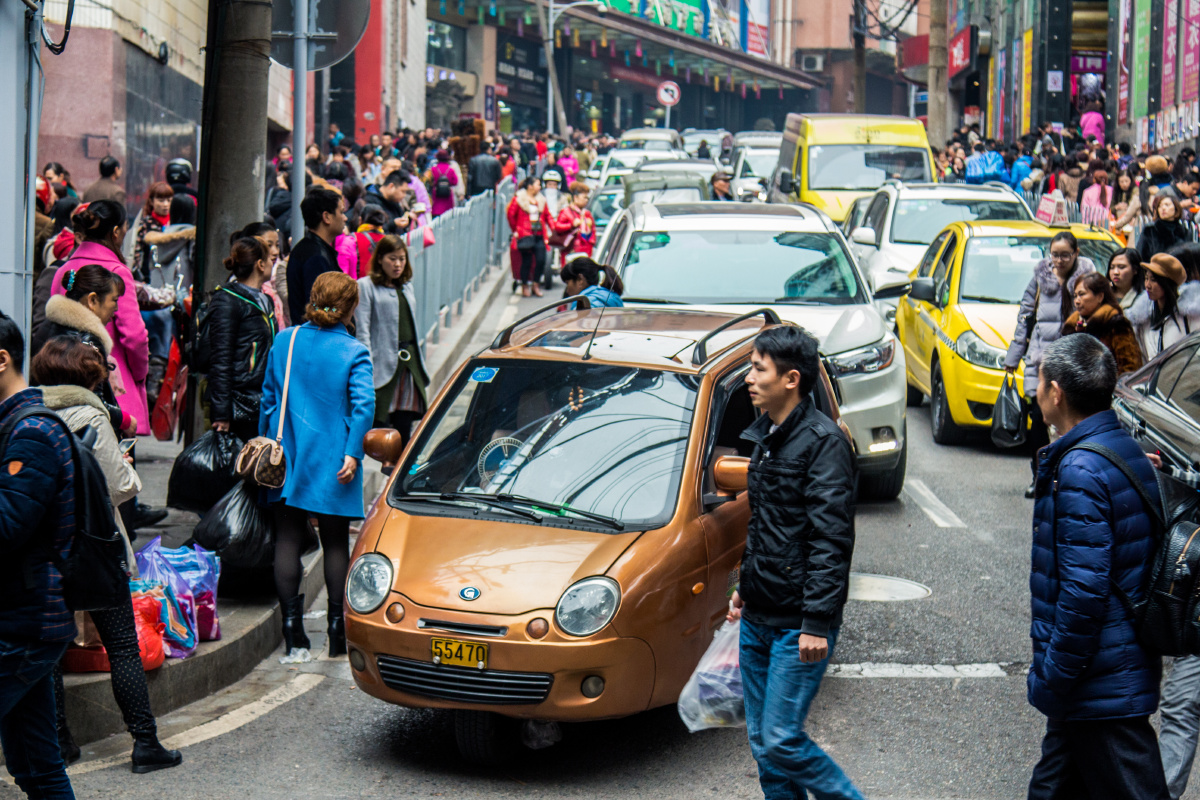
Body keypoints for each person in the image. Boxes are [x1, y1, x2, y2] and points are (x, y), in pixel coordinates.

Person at [1025, 334, 1167, 800]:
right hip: (1102, 676)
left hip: (1099, 684)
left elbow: (1084, 593)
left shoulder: (1082, 469)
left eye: (1040, 380)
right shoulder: (1118, 446)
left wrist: (1053, 677)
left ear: (1057, 392)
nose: (1035, 389)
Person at [31, 336, 182, 773]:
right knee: (122, 647)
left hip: (49, 551)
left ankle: (60, 742)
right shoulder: (91, 414)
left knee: (54, 655)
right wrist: (129, 467)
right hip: (96, 549)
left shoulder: (31, 412)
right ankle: (145, 742)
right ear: (87, 377)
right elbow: (117, 486)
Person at [726, 325, 863, 800]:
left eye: (757, 368)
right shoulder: (766, 435)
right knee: (765, 744)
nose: (748, 377)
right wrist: (745, 584)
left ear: (790, 379)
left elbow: (831, 538)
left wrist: (816, 622)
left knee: (782, 738)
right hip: (758, 615)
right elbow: (767, 523)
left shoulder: (823, 443)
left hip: (795, 624)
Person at [261, 272, 374, 659]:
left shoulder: (284, 340)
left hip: (287, 455)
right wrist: (353, 452)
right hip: (334, 457)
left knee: (288, 539)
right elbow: (364, 406)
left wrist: (267, 448)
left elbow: (270, 401)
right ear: (351, 308)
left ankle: (293, 633)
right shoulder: (353, 352)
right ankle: (337, 634)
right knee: (335, 542)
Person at [0, 313, 77, 799]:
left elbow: (7, 526)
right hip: (28, 617)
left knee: (38, 766)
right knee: (36, 766)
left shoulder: (31, 432)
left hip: (25, 620)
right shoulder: (18, 426)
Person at [1005, 231, 1097, 498]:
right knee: (1037, 419)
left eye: (1065, 255)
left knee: (1070, 422)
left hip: (1072, 362)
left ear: (1076, 254)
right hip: (1041, 360)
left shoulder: (1086, 280)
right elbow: (1025, 316)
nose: (1059, 260)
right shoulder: (1039, 277)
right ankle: (1040, 476)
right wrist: (1013, 357)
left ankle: (1067, 476)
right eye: (1054, 254)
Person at [49, 200, 149, 437]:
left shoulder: (64, 270)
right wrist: (139, 374)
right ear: (116, 232)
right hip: (113, 390)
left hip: (66, 386)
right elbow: (134, 337)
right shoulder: (118, 272)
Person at [36, 265, 131, 434]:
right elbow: (93, 403)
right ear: (93, 300)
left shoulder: (48, 328)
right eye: (114, 300)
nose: (116, 310)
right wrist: (124, 420)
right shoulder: (85, 343)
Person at [355, 236, 428, 448]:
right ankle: (387, 466)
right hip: (382, 362)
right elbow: (363, 330)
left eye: (402, 259)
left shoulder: (406, 286)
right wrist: (365, 366)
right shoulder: (366, 286)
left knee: (405, 422)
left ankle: (398, 469)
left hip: (409, 363)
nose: (397, 264)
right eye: (392, 259)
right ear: (380, 260)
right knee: (379, 424)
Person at [205, 237, 278, 443]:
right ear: (260, 264)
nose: (273, 260)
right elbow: (220, 358)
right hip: (239, 402)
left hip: (263, 398)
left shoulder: (266, 299)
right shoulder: (227, 299)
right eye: (269, 257)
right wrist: (221, 413)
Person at [1061, 272, 1143, 374]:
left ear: (1100, 296)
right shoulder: (1073, 327)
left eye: (1082, 294)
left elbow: (1130, 368)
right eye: (1075, 296)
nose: (1077, 301)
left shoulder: (1116, 324)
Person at [285, 187, 345, 325]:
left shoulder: (311, 249)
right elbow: (319, 309)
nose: (345, 217)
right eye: (341, 212)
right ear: (326, 217)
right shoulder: (315, 257)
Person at [1128, 253, 1200, 359]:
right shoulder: (1143, 319)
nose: (1147, 285)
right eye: (1146, 278)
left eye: (1153, 280)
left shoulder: (1190, 315)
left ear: (1167, 283)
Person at [508, 176, 553, 298]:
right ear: (530, 186)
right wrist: (516, 230)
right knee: (526, 261)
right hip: (525, 235)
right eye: (538, 184)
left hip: (539, 234)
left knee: (540, 260)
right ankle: (525, 285)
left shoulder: (541, 200)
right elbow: (511, 215)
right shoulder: (519, 199)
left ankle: (536, 284)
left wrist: (553, 228)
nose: (540, 187)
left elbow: (547, 215)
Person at [130, 182, 175, 282]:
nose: (165, 204)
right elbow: (136, 254)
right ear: (151, 201)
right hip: (150, 276)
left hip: (172, 276)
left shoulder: (175, 224)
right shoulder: (145, 225)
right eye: (161, 200)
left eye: (169, 200)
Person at [1138, 196, 1190, 264]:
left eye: (1167, 205)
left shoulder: (1184, 232)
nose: (1163, 208)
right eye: (1160, 206)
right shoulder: (1150, 230)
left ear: (1176, 208)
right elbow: (1140, 256)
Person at [553, 182, 597, 259]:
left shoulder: (587, 213)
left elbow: (593, 230)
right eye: (584, 197)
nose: (586, 200)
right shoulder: (566, 211)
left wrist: (591, 242)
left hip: (586, 251)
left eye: (587, 198)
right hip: (571, 250)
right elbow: (557, 227)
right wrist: (571, 225)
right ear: (575, 197)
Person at [428, 149, 459, 218]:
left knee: (437, 211)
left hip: (436, 194)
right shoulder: (450, 169)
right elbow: (455, 182)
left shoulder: (433, 169)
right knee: (447, 214)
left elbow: (429, 181)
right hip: (447, 195)